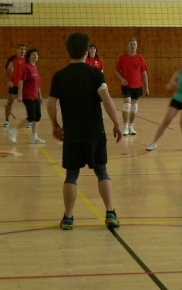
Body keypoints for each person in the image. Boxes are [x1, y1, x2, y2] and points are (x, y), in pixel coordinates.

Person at [47, 32, 124, 230]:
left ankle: (68, 218)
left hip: (72, 133)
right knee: (102, 171)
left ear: (68, 51)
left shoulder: (60, 76)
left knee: (71, 174)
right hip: (95, 132)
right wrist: (117, 123)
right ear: (86, 51)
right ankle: (110, 213)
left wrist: (55, 125)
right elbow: (107, 100)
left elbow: (50, 104)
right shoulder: (96, 74)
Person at [146, 56, 182, 152]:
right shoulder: (178, 73)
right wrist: (171, 85)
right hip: (177, 100)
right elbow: (168, 86)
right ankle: (154, 142)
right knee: (166, 121)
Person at [7, 48, 45, 143]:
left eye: (36, 54)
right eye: (33, 54)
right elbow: (21, 81)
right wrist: (20, 95)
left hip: (35, 95)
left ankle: (34, 137)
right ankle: (13, 131)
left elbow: (37, 84)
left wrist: (40, 95)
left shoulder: (35, 67)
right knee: (31, 116)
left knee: (38, 116)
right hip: (27, 95)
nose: (35, 56)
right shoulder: (26, 67)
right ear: (29, 57)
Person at [115, 38, 149, 135]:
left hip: (137, 86)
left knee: (134, 107)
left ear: (136, 46)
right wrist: (121, 78)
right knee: (126, 105)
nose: (133, 46)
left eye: (134, 44)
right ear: (128, 46)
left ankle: (131, 127)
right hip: (126, 85)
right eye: (131, 44)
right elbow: (116, 71)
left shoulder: (141, 58)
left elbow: (144, 73)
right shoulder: (123, 58)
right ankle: (125, 127)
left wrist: (146, 87)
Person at [3, 44, 27, 127]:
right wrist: (9, 80)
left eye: (24, 49)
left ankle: (29, 120)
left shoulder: (27, 59)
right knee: (10, 102)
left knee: (28, 103)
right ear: (17, 50)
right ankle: (6, 120)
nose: (22, 51)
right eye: (21, 49)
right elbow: (5, 69)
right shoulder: (13, 59)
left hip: (25, 85)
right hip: (14, 84)